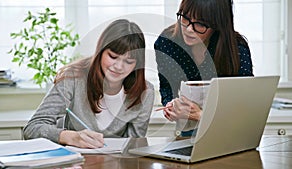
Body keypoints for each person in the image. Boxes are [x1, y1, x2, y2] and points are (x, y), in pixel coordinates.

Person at [23, 19, 155, 148]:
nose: (119, 67)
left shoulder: (145, 92)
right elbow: (32, 129)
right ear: (101, 51)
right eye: (113, 57)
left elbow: (134, 146)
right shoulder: (72, 78)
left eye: (128, 61)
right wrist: (70, 137)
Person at [154, 0, 253, 136]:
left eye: (200, 24)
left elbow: (245, 104)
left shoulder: (236, 49)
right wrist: (171, 107)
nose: (189, 29)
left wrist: (201, 115)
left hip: (230, 130)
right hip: (188, 130)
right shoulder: (166, 43)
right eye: (185, 17)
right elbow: (167, 87)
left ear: (217, 25)